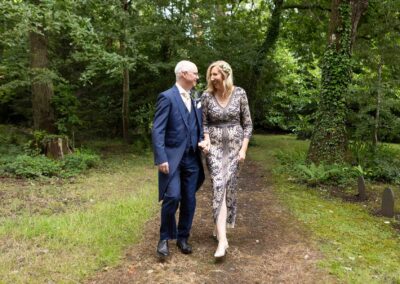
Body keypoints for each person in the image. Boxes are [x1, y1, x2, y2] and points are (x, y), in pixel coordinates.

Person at [198, 60, 253, 259]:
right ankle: (223, 240)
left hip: (235, 150)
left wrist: (243, 150)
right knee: (218, 186)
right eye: (210, 74)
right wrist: (206, 141)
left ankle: (218, 229)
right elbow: (203, 123)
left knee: (229, 187)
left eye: (215, 74)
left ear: (225, 75)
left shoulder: (239, 93)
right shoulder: (206, 95)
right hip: (213, 149)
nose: (212, 78)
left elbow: (247, 125)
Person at [152, 60, 205, 259]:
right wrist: (161, 158)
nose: (198, 77)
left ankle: (183, 237)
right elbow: (157, 130)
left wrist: (202, 141)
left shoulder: (195, 97)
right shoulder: (167, 97)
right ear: (183, 74)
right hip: (172, 159)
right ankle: (164, 237)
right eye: (195, 73)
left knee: (189, 199)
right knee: (173, 196)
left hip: (192, 158)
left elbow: (198, 125)